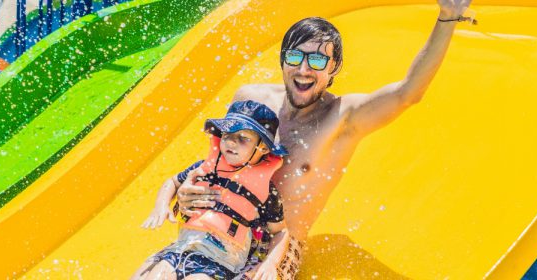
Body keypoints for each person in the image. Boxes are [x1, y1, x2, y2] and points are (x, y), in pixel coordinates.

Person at [168, 1, 475, 278]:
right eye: (295, 57)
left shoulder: (341, 118)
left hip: (279, 245)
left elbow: (408, 93)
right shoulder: (251, 98)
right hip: (222, 223)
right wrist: (182, 195)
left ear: (333, 69)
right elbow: (217, 165)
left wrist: (446, 18)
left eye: (317, 61)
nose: (303, 69)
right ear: (283, 60)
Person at [134, 100, 291, 280]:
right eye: (227, 134)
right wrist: (161, 206)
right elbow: (172, 182)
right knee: (154, 275)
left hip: (220, 262)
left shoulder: (266, 192)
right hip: (182, 248)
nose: (231, 142)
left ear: (263, 147)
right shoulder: (204, 168)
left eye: (243, 138)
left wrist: (271, 263)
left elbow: (281, 231)